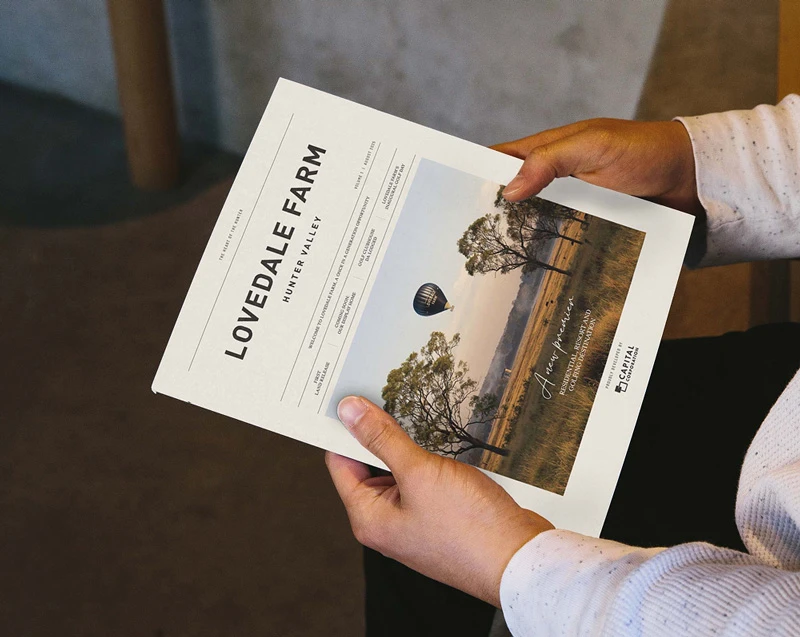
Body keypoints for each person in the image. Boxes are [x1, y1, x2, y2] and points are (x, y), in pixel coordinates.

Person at [326, 96, 800, 636]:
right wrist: (694, 167)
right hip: (780, 406)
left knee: (416, 522)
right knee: (412, 490)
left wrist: (513, 563)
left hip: (746, 555)